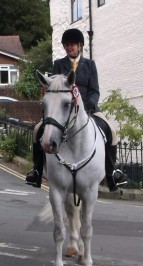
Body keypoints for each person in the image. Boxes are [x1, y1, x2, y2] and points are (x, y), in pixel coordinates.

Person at [26, 28, 127, 191]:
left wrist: (90, 104)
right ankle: (36, 170)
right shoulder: (59, 64)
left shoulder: (90, 65)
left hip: (88, 109)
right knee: (38, 129)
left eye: (72, 44)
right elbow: (53, 86)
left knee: (111, 131)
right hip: (63, 110)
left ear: (80, 46)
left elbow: (94, 90)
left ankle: (112, 172)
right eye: (66, 45)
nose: (69, 47)